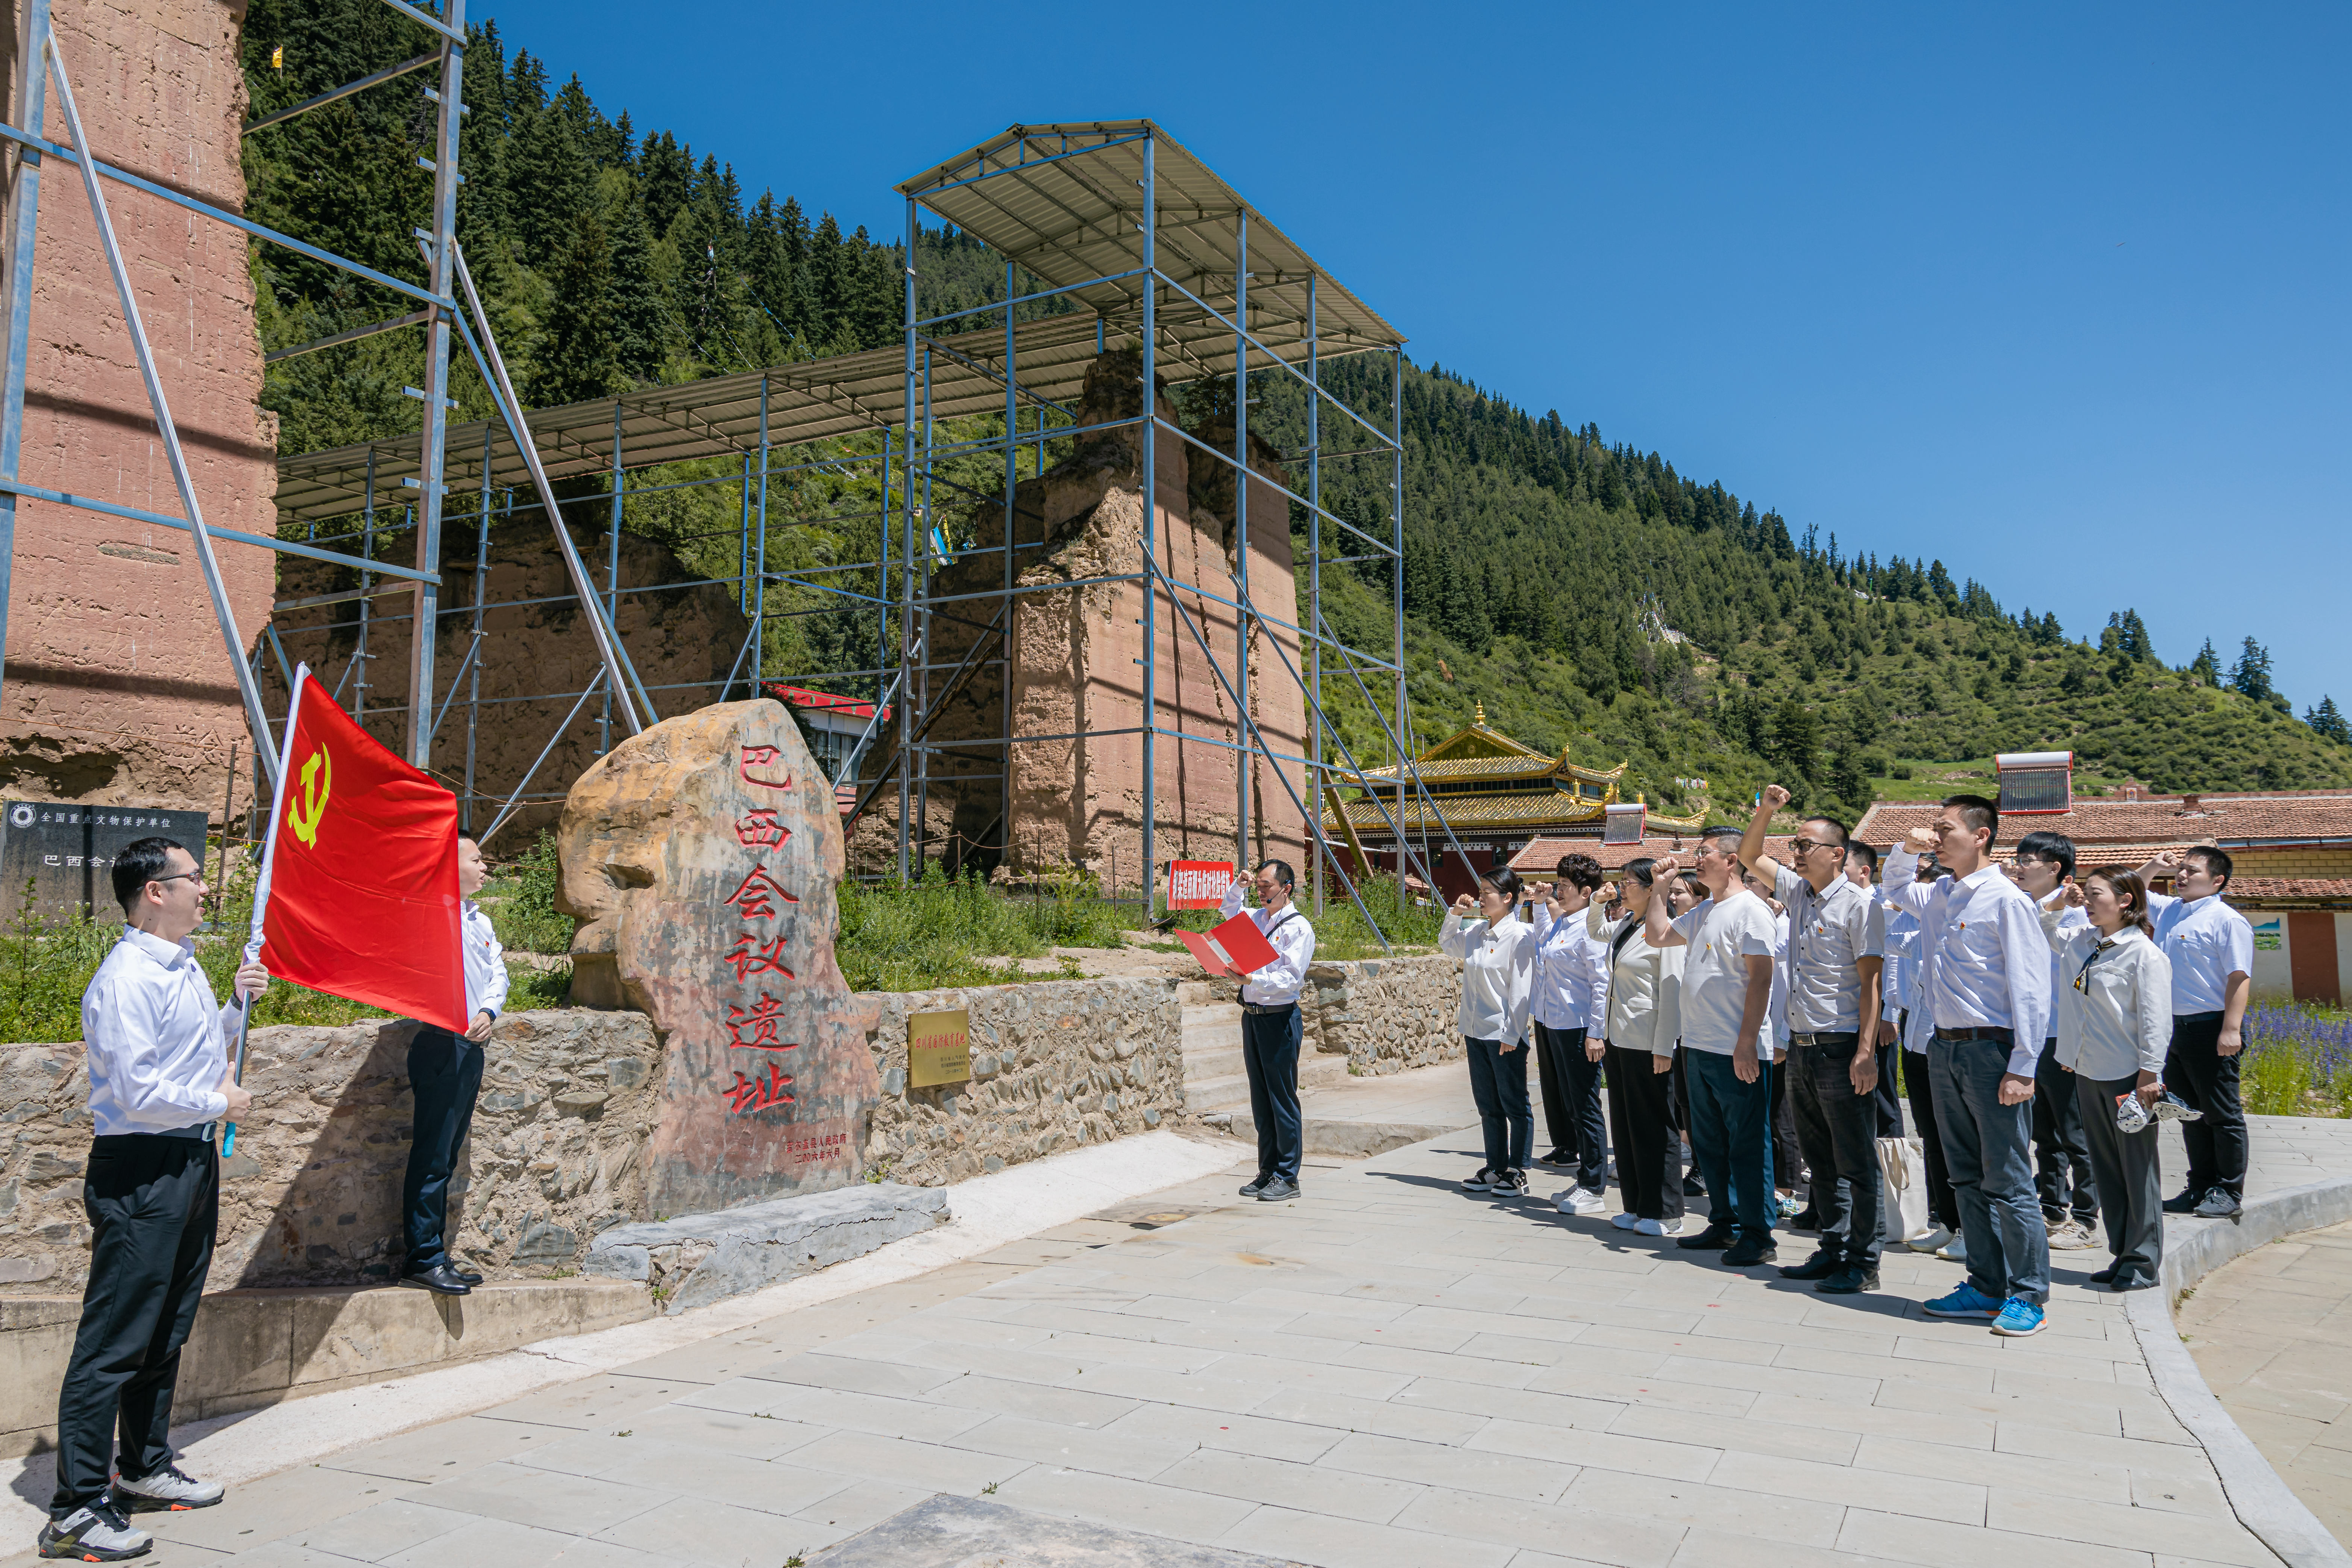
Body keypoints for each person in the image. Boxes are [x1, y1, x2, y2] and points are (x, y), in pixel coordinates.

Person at [42, 838, 270, 1562]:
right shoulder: (125, 980)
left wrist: (235, 1005)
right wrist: (220, 1102)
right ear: (154, 891)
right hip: (141, 1166)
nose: (205, 888)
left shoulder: (184, 964)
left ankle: (142, 1465)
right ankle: (75, 1508)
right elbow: (139, 1091)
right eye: (193, 877)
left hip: (189, 1159)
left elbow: (193, 1052)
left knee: (166, 1327)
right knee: (113, 1341)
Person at [1883, 795, 2055, 1337]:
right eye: (1933, 829)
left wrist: (2023, 1065)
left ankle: (2027, 1295)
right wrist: (1904, 847)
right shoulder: (1940, 893)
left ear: (1981, 836)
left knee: (2007, 1178)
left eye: (1945, 829)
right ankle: (1984, 1285)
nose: (1935, 838)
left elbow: (2031, 987)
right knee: (1964, 1174)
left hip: (1991, 1051)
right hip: (1943, 1047)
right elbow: (1893, 888)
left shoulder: (2005, 900)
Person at [1738, 787, 1887, 1294]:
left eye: (1806, 845)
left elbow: (1870, 984)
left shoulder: (1860, 905)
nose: (1796, 852)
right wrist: (1767, 811)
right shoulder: (1799, 892)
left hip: (1840, 1046)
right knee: (1819, 1160)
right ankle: (1832, 1247)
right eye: (1795, 844)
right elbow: (1749, 854)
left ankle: (1863, 1260)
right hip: (1802, 1045)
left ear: (1836, 854)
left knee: (1855, 1161)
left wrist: (1865, 1052)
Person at [1644, 828, 1780, 1267]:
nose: (1696, 860)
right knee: (1709, 1143)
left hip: (1735, 1047)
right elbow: (1657, 935)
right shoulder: (1704, 910)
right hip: (1697, 1043)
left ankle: (1757, 1233)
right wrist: (1659, 888)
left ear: (1731, 860)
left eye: (1703, 853)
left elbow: (1761, 978)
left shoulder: (1751, 910)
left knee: (1746, 1143)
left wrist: (1746, 1042)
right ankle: (1723, 1221)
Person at [2043, 870, 2174, 1290]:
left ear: (2124, 900)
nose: (2086, 900)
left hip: (2127, 1075)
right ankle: (2122, 1253)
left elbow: (2155, 1019)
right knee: (2106, 1167)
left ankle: (2143, 1262)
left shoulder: (2144, 954)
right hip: (2087, 1070)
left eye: (2095, 894)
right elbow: (2039, 925)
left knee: (2137, 1169)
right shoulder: (2081, 942)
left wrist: (2150, 1073)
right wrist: (2058, 901)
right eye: (2085, 893)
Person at [400, 836, 511, 1294]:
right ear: (450, 866)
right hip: (440, 1043)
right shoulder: (431, 917)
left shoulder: (479, 920)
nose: (485, 866)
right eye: (476, 859)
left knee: (446, 1155)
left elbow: (498, 971)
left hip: (470, 1044)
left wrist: (488, 1010)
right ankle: (422, 1258)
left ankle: (436, 1253)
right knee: (432, 1155)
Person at [2137, 848, 2254, 1220]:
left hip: (2210, 1027)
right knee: (2190, 1113)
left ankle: (2228, 1190)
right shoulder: (2171, 910)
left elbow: (2239, 976)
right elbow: (2130, 889)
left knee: (2222, 1114)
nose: (2182, 875)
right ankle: (2199, 1187)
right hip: (2172, 1029)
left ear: (2217, 880)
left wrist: (2230, 1029)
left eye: (2192, 870)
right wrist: (2154, 864)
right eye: (2181, 869)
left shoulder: (2227, 920)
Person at [2009, 831, 2097, 1249]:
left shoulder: (2077, 917)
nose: (2018, 867)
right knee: (2043, 1133)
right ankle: (2051, 1207)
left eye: (2027, 860)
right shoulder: (2019, 907)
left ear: (2055, 868)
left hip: (2065, 1035)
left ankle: (2087, 1218)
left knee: (2074, 1132)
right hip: (2030, 1035)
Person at [1587, 861, 1685, 1234]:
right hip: (1620, 1038)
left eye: (1629, 882)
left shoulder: (1668, 930)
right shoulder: (1627, 924)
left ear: (1650, 888)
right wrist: (1598, 901)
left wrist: (1664, 1046)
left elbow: (1672, 990)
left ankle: (1665, 1211)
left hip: (1648, 1042)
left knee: (1655, 1127)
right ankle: (1635, 1205)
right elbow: (1596, 930)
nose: (1622, 888)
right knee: (1626, 1125)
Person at [1221, 860, 1318, 1203]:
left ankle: (1288, 1176)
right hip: (1253, 1016)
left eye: (1267, 886)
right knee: (1261, 1099)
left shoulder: (1299, 928)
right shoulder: (1258, 918)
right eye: (1258, 886)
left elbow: (1290, 978)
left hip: (1279, 1019)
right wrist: (1239, 886)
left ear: (1286, 888)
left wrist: (1252, 979)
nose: (1261, 892)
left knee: (1282, 1098)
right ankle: (1268, 1169)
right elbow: (1229, 912)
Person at [1443, 868, 1537, 1198]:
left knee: (1515, 1104)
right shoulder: (1477, 932)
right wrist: (1456, 913)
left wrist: (1513, 1034)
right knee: (1488, 1105)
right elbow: (1447, 944)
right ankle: (1495, 1166)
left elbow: (1521, 990)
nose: (1481, 897)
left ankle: (1518, 1171)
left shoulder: (1520, 936)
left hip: (1503, 1034)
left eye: (1488, 892)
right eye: (1480, 891)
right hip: (1475, 1030)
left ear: (1508, 897)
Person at [1889, 856, 1963, 1258]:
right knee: (1931, 1136)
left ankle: (1971, 1227)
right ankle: (1947, 1223)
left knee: (1959, 1141)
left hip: (1953, 1046)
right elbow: (1879, 937)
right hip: (1918, 1045)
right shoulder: (1917, 936)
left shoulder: (1964, 935)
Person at [1530, 854, 1611, 1214]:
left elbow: (1600, 984)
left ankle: (1594, 1186)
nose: (1559, 891)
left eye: (1565, 886)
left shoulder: (1590, 929)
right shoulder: (1562, 923)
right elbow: (1541, 943)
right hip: (1555, 1024)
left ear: (1586, 891)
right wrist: (1539, 905)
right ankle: (1584, 1179)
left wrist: (1596, 1033)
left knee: (1586, 1107)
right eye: (1559, 884)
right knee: (1572, 1106)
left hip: (1579, 1028)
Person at [1742, 867, 1805, 1225]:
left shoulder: (1784, 926)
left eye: (1752, 880)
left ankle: (1787, 1189)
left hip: (1780, 1033)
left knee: (1782, 1117)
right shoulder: (1762, 920)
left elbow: (1782, 987)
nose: (1746, 885)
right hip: (1760, 1034)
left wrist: (1781, 1038)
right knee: (1768, 1113)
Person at [1845, 841, 1906, 1137]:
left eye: (1843, 866)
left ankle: (1891, 1148)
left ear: (1864, 871)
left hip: (1879, 1007)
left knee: (1883, 1088)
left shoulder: (1882, 905)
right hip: (1849, 1009)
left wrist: (1889, 1014)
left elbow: (1892, 963)